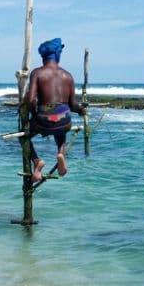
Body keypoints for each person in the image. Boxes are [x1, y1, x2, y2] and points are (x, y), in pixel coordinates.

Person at [23, 38, 87, 182]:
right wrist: (82, 110)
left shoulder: (38, 73)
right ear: (58, 55)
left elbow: (31, 100)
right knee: (61, 129)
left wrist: (34, 114)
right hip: (64, 119)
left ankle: (37, 161)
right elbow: (73, 105)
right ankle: (60, 153)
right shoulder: (68, 75)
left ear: (43, 56)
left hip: (44, 119)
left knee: (25, 138)